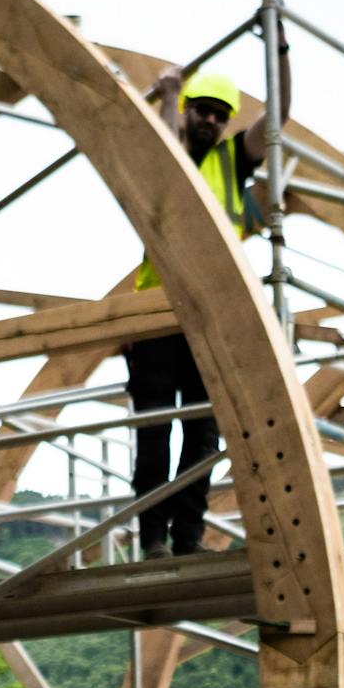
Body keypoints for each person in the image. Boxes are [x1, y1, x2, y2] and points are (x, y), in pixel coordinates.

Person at [123, 56, 281, 558]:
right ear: (188, 112)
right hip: (157, 314)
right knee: (155, 432)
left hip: (213, 317)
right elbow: (167, 167)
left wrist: (278, 54)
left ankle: (186, 539)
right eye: (202, 111)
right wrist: (170, 97)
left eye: (219, 114)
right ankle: (152, 538)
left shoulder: (233, 161)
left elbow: (279, 116)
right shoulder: (167, 154)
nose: (210, 120)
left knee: (203, 434)